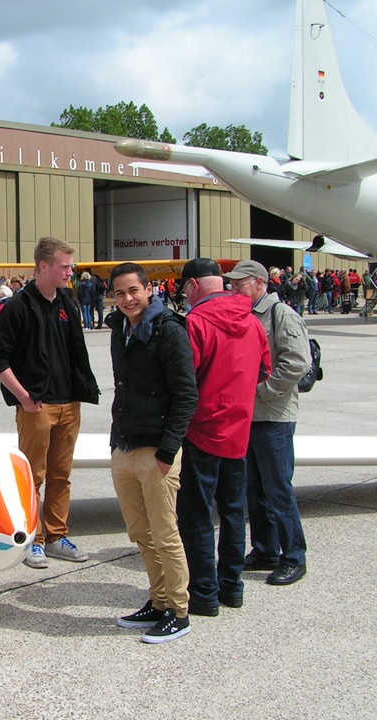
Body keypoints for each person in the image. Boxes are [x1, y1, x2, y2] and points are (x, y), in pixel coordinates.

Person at [0, 237, 100, 569]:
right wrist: (23, 397)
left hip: (69, 403)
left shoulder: (68, 301)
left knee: (61, 475)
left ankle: (55, 536)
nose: (70, 272)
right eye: (65, 266)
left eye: (70, 266)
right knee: (33, 476)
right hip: (36, 406)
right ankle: (32, 539)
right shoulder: (18, 306)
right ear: (43, 266)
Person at [107, 262, 198, 644]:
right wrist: (115, 445)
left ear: (149, 290)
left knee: (165, 535)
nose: (128, 299)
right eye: (120, 293)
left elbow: (186, 395)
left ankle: (179, 610)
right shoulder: (119, 330)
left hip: (156, 450)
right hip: (125, 446)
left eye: (134, 291)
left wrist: (167, 450)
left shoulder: (169, 330)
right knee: (140, 533)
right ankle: (157, 601)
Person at [175, 258, 269, 616]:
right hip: (239, 429)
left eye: (185, 289)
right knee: (233, 512)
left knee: (196, 515)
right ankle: (232, 586)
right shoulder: (252, 322)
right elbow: (264, 370)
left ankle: (204, 592)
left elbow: (185, 382)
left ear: (194, 287)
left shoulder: (195, 323)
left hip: (202, 431)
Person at [225, 260, 311, 587]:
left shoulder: (282, 316)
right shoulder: (244, 315)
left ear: (260, 284)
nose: (233, 288)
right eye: (230, 284)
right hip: (249, 416)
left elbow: (296, 364)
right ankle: (264, 549)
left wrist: (262, 391)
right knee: (254, 489)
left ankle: (294, 556)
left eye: (239, 283)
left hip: (273, 416)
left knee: (277, 488)